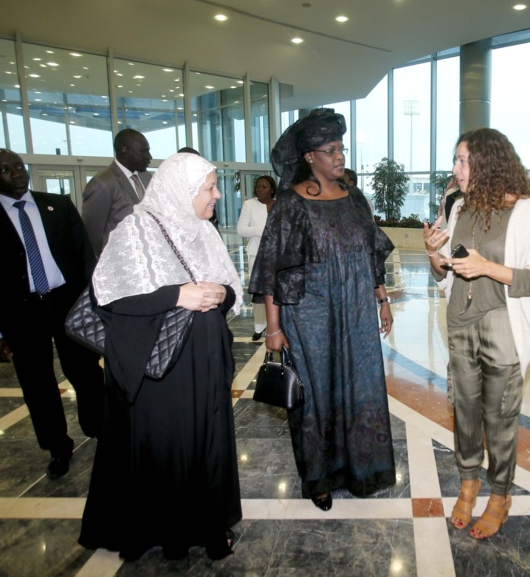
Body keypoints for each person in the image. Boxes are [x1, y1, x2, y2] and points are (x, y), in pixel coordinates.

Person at [79, 152, 243, 561]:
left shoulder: (203, 231)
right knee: (164, 450)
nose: (217, 195)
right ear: (181, 191)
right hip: (159, 376)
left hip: (202, 369)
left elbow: (230, 288)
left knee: (204, 446)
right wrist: (177, 294)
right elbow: (111, 298)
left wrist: (223, 295)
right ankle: (158, 530)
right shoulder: (136, 230)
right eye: (209, 187)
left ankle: (208, 525)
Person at [248, 108, 397, 512]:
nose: (340, 157)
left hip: (356, 312)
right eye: (330, 150)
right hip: (309, 317)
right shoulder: (290, 204)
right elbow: (274, 269)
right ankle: (319, 478)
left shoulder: (355, 199)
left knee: (359, 385)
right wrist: (274, 328)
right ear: (309, 157)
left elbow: (371, 256)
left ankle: (361, 468)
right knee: (316, 395)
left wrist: (381, 299)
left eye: (341, 149)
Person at [423, 128, 530, 539]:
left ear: (487, 161)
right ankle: (468, 484)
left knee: (499, 418)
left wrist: (487, 268)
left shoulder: (527, 211)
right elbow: (444, 272)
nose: (455, 169)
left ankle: (499, 495)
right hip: (461, 322)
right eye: (455, 160)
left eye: (462, 160)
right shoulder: (459, 207)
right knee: (464, 410)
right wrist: (432, 253)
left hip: (502, 324)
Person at [0, 148, 103, 479]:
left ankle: (100, 430)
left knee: (87, 372)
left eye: (19, 166)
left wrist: (93, 302)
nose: (16, 173)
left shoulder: (58, 206)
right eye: (5, 170)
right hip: (20, 313)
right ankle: (58, 448)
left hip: (67, 305)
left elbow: (84, 256)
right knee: (38, 384)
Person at [81, 129, 153, 255]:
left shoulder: (147, 177)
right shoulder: (103, 183)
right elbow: (92, 236)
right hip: (118, 262)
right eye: (143, 151)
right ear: (125, 150)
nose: (149, 156)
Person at [236, 174, 277, 340]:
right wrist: (261, 230)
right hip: (256, 254)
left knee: (275, 292)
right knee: (259, 292)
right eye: (258, 186)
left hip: (276, 255)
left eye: (264, 187)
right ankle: (259, 327)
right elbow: (241, 230)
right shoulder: (249, 205)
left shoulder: (279, 204)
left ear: (272, 189)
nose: (260, 189)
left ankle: (276, 325)